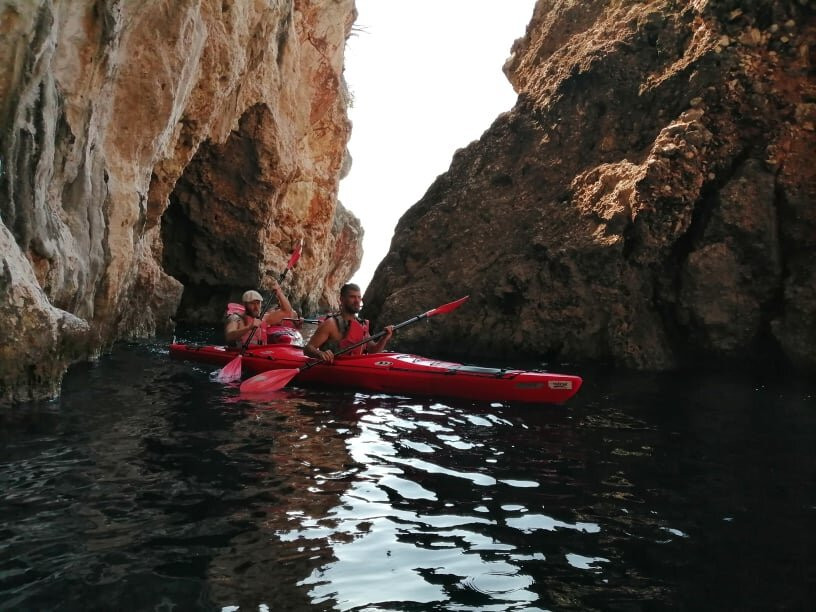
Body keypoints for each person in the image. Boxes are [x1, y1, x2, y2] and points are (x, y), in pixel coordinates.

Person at [303, 283, 394, 363]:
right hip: (332, 372)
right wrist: (320, 353)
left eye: (359, 297)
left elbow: (373, 351)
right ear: (342, 299)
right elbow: (307, 349)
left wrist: (384, 338)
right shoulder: (330, 324)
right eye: (352, 297)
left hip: (355, 369)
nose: (357, 300)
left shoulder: (361, 324)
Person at [224, 279, 296, 347]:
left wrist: (279, 293)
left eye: (258, 303)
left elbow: (286, 311)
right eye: (252, 303)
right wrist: (249, 327)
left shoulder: (265, 318)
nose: (256, 307)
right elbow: (229, 336)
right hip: (242, 353)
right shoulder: (236, 318)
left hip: (260, 353)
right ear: (245, 304)